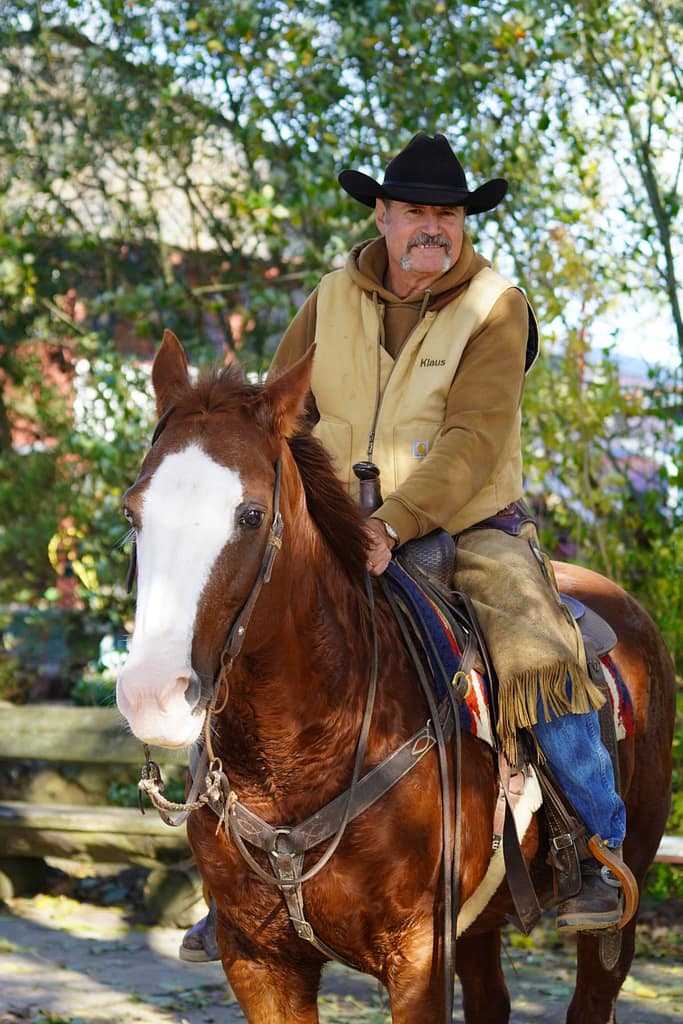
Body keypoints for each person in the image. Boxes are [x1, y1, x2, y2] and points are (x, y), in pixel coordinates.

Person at [180, 132, 627, 961]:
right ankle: (227, 878)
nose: (433, 227)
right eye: (416, 211)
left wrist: (392, 523)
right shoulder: (329, 296)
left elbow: (472, 440)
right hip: (332, 521)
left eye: (448, 215)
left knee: (536, 647)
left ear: (463, 224)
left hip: (467, 524)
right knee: (236, 630)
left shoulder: (495, 305)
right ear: (381, 216)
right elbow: (281, 413)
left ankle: (591, 847)